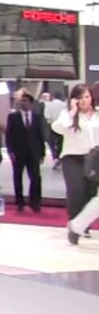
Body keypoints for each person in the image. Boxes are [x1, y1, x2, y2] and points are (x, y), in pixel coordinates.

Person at [53, 84, 99, 244]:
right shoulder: (68, 115)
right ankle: (75, 223)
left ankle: (80, 224)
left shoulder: (97, 114)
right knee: (76, 190)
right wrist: (72, 111)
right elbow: (58, 128)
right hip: (73, 158)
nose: (84, 100)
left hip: (93, 159)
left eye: (87, 96)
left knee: (91, 192)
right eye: (80, 97)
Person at [5, 92, 45, 213]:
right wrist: (10, 151)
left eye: (26, 101)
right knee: (17, 177)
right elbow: (9, 136)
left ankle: (35, 202)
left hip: (33, 152)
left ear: (31, 103)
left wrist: (42, 153)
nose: (23, 103)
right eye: (21, 101)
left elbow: (40, 136)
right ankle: (20, 202)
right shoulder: (13, 117)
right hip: (18, 153)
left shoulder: (37, 117)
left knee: (36, 178)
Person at [41, 90, 65, 169]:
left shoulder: (49, 105)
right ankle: (59, 156)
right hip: (62, 126)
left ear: (53, 97)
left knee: (51, 142)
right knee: (60, 142)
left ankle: (55, 157)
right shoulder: (64, 105)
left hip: (52, 126)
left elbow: (47, 116)